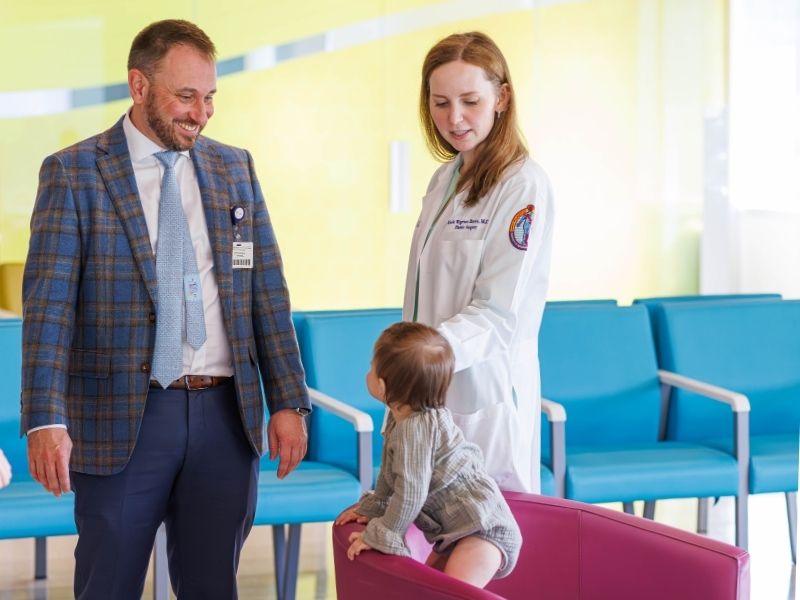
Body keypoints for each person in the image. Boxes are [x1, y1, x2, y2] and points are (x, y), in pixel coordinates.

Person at [20, 19, 310, 600]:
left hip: (225, 416)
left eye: (209, 98)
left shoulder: (234, 168)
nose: (200, 114)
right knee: (108, 584)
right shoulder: (74, 173)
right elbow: (48, 308)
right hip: (123, 416)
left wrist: (287, 400)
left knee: (211, 586)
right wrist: (45, 419)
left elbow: (266, 292)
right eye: (185, 97)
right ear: (138, 85)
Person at [404, 31, 555, 492]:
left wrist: (419, 359)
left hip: (485, 397)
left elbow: (497, 313)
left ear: (502, 97)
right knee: (436, 538)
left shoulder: (522, 185)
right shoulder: (445, 178)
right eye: (441, 103)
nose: (455, 118)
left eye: (470, 101)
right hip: (433, 393)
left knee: (487, 538)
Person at [335, 321, 522, 587]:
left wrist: (385, 531)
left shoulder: (415, 430)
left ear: (382, 386)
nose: (367, 372)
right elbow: (391, 473)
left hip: (482, 531)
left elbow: (411, 492)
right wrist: (376, 504)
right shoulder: (402, 417)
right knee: (429, 589)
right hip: (457, 531)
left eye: (371, 366)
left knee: (452, 594)